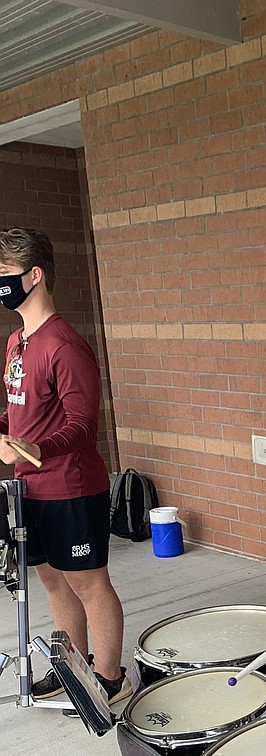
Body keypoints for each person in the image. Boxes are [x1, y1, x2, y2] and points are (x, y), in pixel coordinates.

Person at [0, 227, 130, 705]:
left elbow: (81, 425)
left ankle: (111, 679)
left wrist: (31, 447)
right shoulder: (16, 341)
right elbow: (19, 411)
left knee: (89, 583)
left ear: (35, 275)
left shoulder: (65, 344)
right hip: (29, 490)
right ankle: (71, 666)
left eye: (4, 275)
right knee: (52, 578)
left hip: (71, 487)